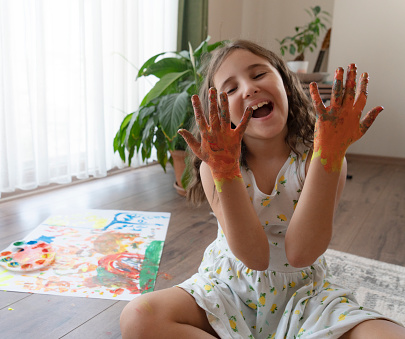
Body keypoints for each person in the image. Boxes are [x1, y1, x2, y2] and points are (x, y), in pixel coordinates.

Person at [119, 40, 405, 338]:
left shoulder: (319, 158)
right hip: (228, 290)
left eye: (258, 75)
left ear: (286, 85)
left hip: (304, 296)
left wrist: (329, 153)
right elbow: (255, 256)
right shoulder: (214, 167)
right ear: (218, 112)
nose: (248, 89)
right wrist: (226, 172)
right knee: (138, 318)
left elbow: (301, 254)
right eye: (230, 89)